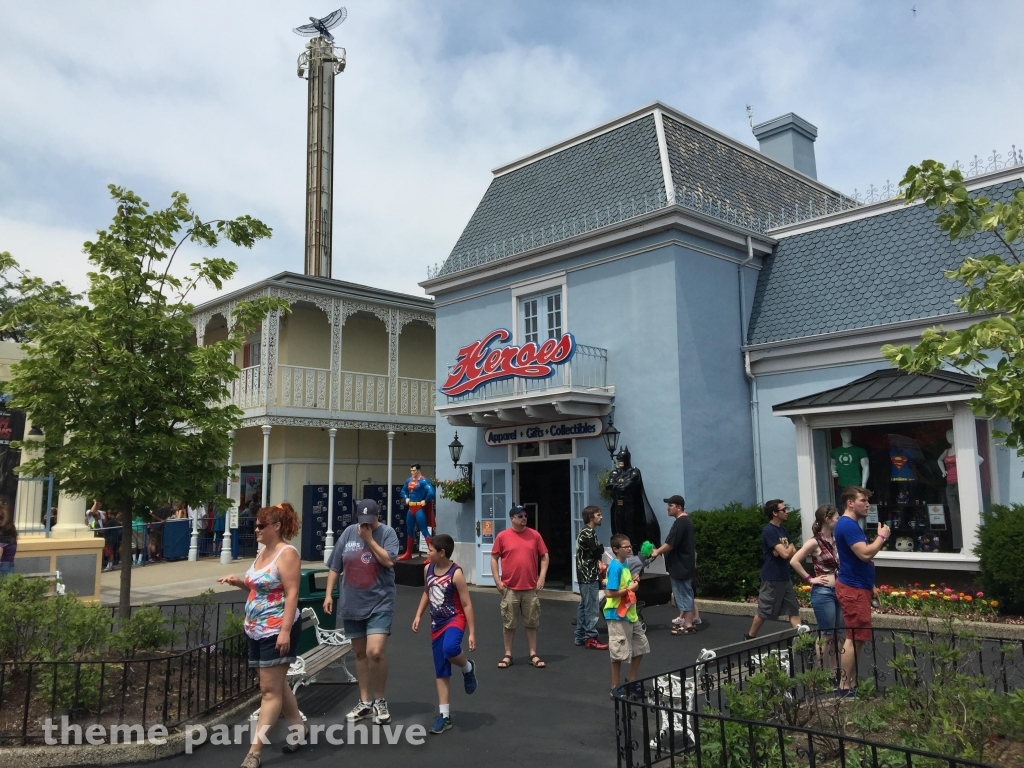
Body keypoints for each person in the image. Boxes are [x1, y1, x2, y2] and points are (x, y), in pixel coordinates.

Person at [217, 503, 303, 768]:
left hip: (276, 629)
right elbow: (259, 588)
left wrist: (285, 630)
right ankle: (299, 729)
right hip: (255, 628)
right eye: (255, 525)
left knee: (268, 691)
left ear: (275, 527)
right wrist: (239, 582)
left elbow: (291, 593)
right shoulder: (262, 552)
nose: (255, 529)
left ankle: (254, 752)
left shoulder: (287, 554)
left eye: (260, 526)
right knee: (276, 684)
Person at [324, 499, 400, 724]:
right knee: (359, 653)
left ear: (378, 515)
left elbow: (389, 562)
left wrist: (369, 540)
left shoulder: (387, 533)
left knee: (375, 652)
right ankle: (365, 702)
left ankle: (380, 700)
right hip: (352, 601)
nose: (366, 524)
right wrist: (329, 594)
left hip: (380, 601)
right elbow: (335, 566)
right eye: (362, 520)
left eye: (370, 520)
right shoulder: (348, 533)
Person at [411, 533, 478, 735]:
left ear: (442, 553)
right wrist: (418, 615)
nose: (428, 553)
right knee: (441, 671)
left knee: (450, 649)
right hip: (436, 623)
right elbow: (426, 592)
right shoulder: (427, 569)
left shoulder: (456, 573)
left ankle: (468, 668)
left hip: (454, 619)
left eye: (430, 550)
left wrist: (472, 632)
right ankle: (445, 717)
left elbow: (466, 603)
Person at [834, 486, 890, 695]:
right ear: (850, 502)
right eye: (863, 500)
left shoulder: (851, 525)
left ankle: (851, 683)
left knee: (858, 636)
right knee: (854, 636)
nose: (867, 504)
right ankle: (845, 686)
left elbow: (859, 560)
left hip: (860, 586)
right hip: (853, 588)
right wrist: (881, 537)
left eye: (868, 500)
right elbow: (865, 554)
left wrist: (871, 586)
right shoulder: (847, 525)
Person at [491, 504, 549, 669]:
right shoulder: (503, 537)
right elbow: (494, 558)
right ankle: (508, 654)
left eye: (525, 515)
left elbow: (544, 556)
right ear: (512, 518)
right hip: (510, 588)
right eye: (520, 516)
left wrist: (542, 577)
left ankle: (533, 654)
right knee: (509, 623)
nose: (524, 518)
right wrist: (497, 581)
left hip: (530, 588)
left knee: (532, 623)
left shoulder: (534, 535)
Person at [789, 504, 843, 669]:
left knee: (837, 633)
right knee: (826, 634)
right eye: (837, 518)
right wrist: (810, 579)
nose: (839, 520)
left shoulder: (835, 539)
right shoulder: (814, 542)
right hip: (823, 592)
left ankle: (836, 672)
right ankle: (819, 672)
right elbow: (794, 560)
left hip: (838, 590)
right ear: (827, 520)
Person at [745, 499, 801, 639]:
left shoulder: (783, 530)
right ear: (775, 513)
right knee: (764, 611)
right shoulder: (768, 530)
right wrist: (786, 550)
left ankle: (803, 640)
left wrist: (785, 550)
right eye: (784, 510)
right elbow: (785, 553)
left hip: (785, 576)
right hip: (772, 577)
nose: (787, 512)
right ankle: (750, 636)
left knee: (793, 610)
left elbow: (792, 552)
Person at [605, 533, 649, 695]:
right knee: (618, 653)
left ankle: (630, 680)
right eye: (626, 547)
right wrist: (631, 588)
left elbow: (625, 585)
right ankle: (614, 687)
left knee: (641, 647)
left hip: (630, 613)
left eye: (630, 546)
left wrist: (632, 581)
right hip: (617, 615)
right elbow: (609, 593)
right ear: (616, 550)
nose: (629, 549)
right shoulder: (615, 567)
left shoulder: (625, 565)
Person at [649, 495, 696, 635]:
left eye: (671, 505)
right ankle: (688, 622)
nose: (668, 508)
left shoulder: (680, 523)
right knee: (685, 594)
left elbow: (670, 544)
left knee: (683, 594)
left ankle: (688, 625)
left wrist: (656, 551)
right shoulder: (685, 522)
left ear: (679, 507)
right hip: (684, 565)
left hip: (680, 566)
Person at [574, 505, 608, 650]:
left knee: (584, 606)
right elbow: (596, 551)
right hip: (588, 574)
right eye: (598, 515)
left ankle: (581, 635)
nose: (601, 517)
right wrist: (599, 548)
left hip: (585, 573)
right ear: (590, 517)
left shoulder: (585, 531)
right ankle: (591, 637)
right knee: (592, 607)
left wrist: (598, 549)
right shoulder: (589, 533)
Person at [396, 463, 435, 561]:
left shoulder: (423, 481)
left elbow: (431, 493)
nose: (412, 472)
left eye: (414, 470)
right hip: (411, 508)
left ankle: (431, 555)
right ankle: (408, 553)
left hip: (419, 508)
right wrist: (406, 498)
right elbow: (403, 491)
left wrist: (425, 501)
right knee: (409, 530)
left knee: (424, 530)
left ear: (418, 470)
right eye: (411, 471)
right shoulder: (409, 480)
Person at [0, 495, 17, 577]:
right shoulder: (13, 539)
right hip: (10, 565)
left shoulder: (4, 539)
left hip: (3, 567)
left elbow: (0, 552)